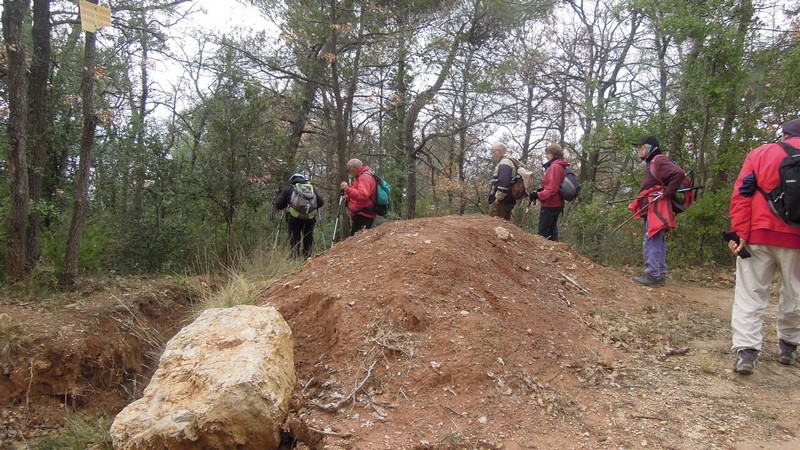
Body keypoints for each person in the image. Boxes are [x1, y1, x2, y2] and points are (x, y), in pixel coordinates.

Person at [727, 118, 800, 375]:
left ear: (784, 134)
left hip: (758, 233)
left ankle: (747, 351)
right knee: (796, 293)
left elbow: (742, 194)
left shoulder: (761, 153)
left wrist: (740, 233)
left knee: (751, 293)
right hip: (796, 241)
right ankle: (789, 347)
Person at [630, 135, 685, 287]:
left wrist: (666, 193)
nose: (638, 150)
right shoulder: (654, 162)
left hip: (657, 207)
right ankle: (658, 274)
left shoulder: (658, 160)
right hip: (654, 206)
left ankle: (653, 275)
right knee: (656, 238)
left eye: (641, 147)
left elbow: (679, 174)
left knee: (652, 237)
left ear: (649, 147)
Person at [273, 173, 325, 258]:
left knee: (294, 240)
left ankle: (295, 260)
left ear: (292, 179)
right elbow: (321, 202)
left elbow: (279, 204)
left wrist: (288, 204)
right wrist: (309, 208)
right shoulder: (311, 187)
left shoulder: (289, 188)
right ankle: (307, 259)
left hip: (294, 218)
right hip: (309, 218)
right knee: (308, 240)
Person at [529, 143, 569, 241]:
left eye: (548, 153)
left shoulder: (555, 167)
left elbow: (552, 189)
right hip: (557, 203)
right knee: (552, 231)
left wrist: (538, 195)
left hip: (550, 204)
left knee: (543, 233)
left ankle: (543, 254)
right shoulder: (561, 166)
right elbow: (554, 185)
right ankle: (554, 252)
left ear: (554, 154)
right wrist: (542, 190)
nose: (546, 156)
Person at [339, 158, 377, 237]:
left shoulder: (364, 177)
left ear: (354, 168)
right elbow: (357, 190)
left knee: (357, 240)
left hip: (365, 214)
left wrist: (347, 189)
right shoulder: (360, 177)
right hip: (361, 213)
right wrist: (348, 196)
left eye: (349, 169)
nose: (349, 171)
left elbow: (363, 195)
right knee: (355, 239)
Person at [487, 142, 517, 220]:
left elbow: (504, 183)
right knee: (503, 226)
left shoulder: (505, 163)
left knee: (494, 226)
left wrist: (497, 199)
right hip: (508, 200)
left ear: (498, 151)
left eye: (492, 152)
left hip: (501, 202)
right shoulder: (510, 162)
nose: (492, 155)